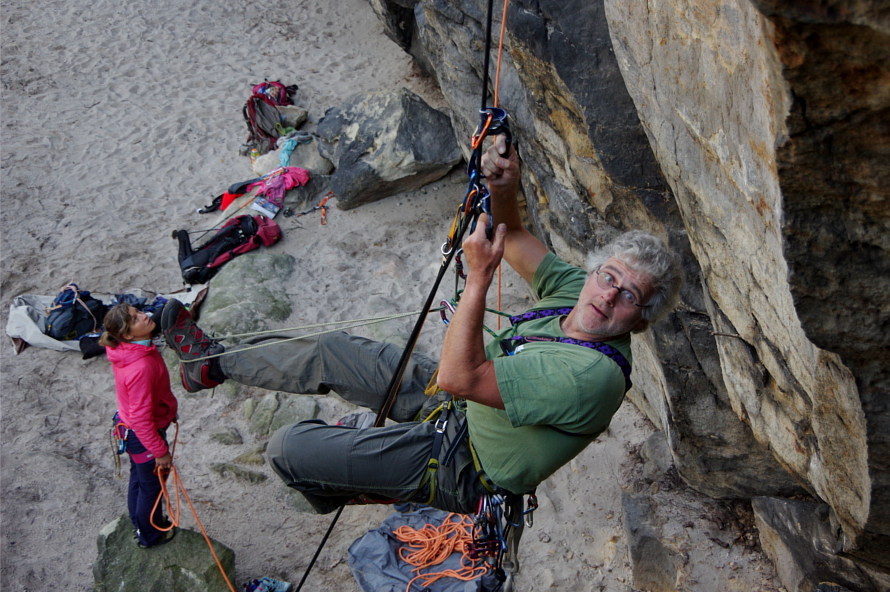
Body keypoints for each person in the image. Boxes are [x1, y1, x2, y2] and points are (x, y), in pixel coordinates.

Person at [159, 135, 683, 515]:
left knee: (288, 448)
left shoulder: (592, 375)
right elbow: (512, 233)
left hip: (464, 465)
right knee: (334, 350)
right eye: (609, 276)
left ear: (640, 319)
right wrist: (505, 185)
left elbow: (463, 376)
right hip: (458, 405)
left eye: (628, 295)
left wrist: (477, 279)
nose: (608, 294)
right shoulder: (576, 290)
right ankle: (211, 365)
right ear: (595, 270)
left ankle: (338, 486)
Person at [101, 303, 177, 548]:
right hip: (142, 433)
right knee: (151, 487)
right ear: (126, 335)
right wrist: (160, 451)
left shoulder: (129, 349)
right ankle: (150, 535)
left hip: (129, 427)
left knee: (139, 480)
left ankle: (139, 524)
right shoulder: (140, 366)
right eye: (135, 319)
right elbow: (142, 418)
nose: (144, 316)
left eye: (139, 312)